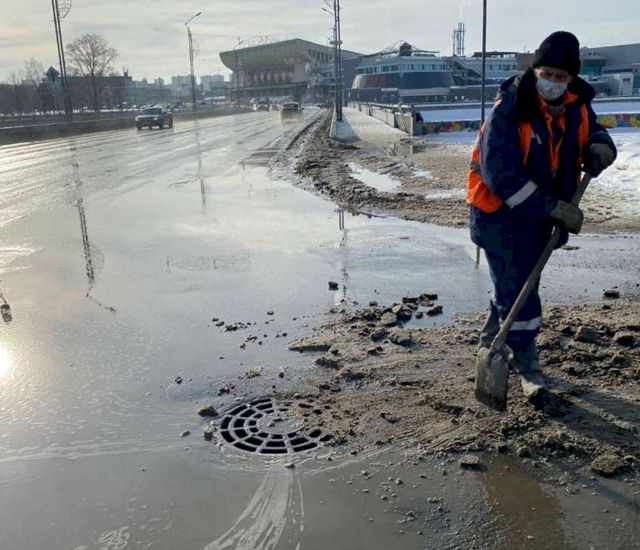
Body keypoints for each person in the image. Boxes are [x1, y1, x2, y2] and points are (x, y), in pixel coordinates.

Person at [467, 31, 617, 398]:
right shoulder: (509, 109)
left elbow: (592, 132)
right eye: (546, 74)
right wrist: (552, 208)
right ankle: (527, 363)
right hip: (498, 216)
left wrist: (600, 146)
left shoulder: (577, 105)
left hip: (541, 219)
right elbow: (500, 176)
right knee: (519, 289)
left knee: (520, 284)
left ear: (571, 78)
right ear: (535, 70)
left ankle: (493, 332)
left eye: (559, 76)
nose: (551, 82)